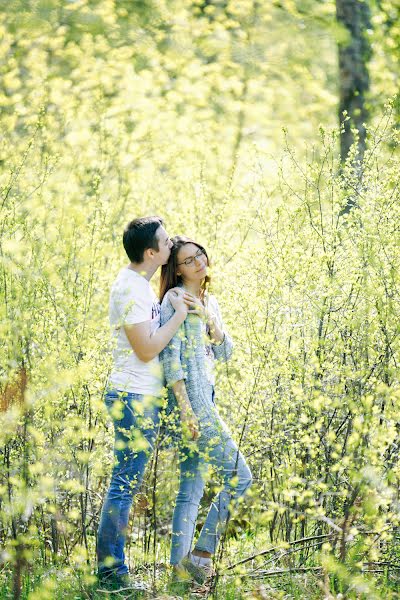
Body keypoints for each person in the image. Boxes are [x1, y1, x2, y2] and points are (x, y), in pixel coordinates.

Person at [97, 217, 195, 591]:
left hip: (141, 396)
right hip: (132, 396)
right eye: (166, 243)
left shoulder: (139, 286)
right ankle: (111, 575)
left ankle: (112, 569)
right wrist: (181, 316)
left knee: (125, 482)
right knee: (123, 484)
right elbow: (146, 348)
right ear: (151, 252)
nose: (171, 247)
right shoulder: (129, 289)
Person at [160, 235, 253, 590]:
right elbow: (170, 359)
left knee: (191, 489)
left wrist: (208, 316)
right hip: (192, 402)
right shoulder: (174, 299)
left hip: (207, 398)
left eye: (199, 255)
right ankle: (200, 557)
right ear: (177, 269)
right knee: (240, 477)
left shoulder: (206, 299)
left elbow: (225, 350)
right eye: (188, 259)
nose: (198, 261)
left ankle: (178, 577)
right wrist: (185, 408)